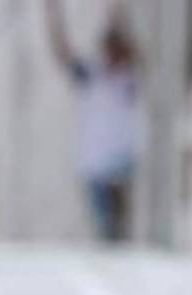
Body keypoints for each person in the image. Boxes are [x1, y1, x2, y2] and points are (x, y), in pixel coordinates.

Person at [45, 0, 143, 243]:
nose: (112, 54)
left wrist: (116, 11)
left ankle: (119, 242)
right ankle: (112, 243)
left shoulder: (128, 77)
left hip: (121, 156)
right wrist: (53, 15)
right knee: (105, 222)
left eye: (116, 49)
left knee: (118, 216)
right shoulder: (92, 75)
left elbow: (132, 47)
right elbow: (63, 53)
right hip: (95, 161)